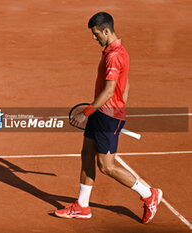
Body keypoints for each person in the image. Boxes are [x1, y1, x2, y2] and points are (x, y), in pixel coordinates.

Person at [55, 12, 162, 224]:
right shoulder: (113, 51)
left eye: (96, 34)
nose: (94, 38)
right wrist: (119, 108)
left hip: (106, 115)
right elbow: (126, 84)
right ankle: (82, 207)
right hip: (102, 112)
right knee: (87, 155)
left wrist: (86, 113)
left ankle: (149, 194)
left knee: (106, 166)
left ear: (106, 31)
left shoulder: (114, 56)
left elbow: (109, 90)